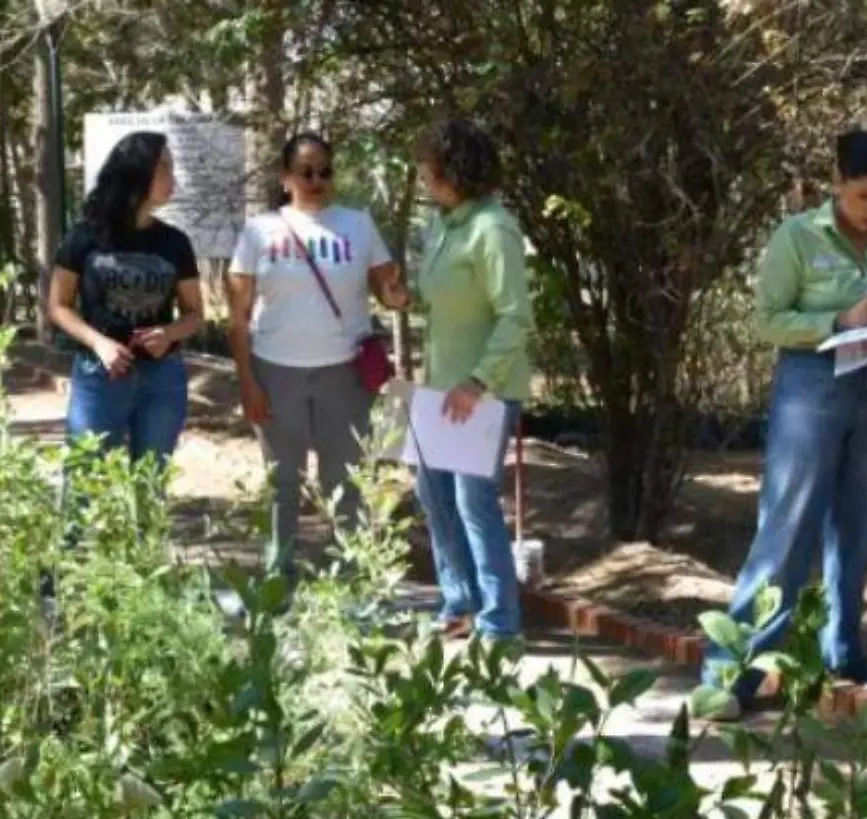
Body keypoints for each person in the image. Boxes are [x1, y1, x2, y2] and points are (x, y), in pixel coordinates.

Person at [702, 130, 867, 709]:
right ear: (836, 183)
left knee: (859, 528)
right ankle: (734, 671)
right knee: (789, 526)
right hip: (813, 383)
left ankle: (843, 652)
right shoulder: (796, 236)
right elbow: (769, 321)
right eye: (864, 196)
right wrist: (837, 319)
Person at [228, 132, 410, 580]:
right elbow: (237, 315)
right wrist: (247, 379)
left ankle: (349, 578)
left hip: (344, 374)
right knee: (282, 483)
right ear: (285, 177)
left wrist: (395, 294)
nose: (316, 180)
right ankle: (278, 574)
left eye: (325, 170)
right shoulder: (259, 231)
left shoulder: (358, 224)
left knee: (346, 482)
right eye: (305, 171)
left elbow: (388, 291)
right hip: (276, 372)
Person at [411, 118, 533, 641]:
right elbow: (444, 299)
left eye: (427, 165)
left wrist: (478, 382)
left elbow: (515, 316)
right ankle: (460, 601)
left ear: (451, 171)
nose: (420, 173)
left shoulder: (493, 228)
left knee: (472, 502)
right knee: (431, 492)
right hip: (439, 386)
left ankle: (500, 622)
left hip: (479, 391)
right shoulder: (444, 224)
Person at [47, 131, 204, 474]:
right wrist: (99, 343)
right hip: (99, 377)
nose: (172, 176)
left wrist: (169, 333)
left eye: (172, 167)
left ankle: (144, 532)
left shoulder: (175, 242)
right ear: (136, 172)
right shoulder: (85, 236)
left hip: (162, 380)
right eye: (163, 167)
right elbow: (58, 305)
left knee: (149, 483)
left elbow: (195, 315)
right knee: (86, 481)